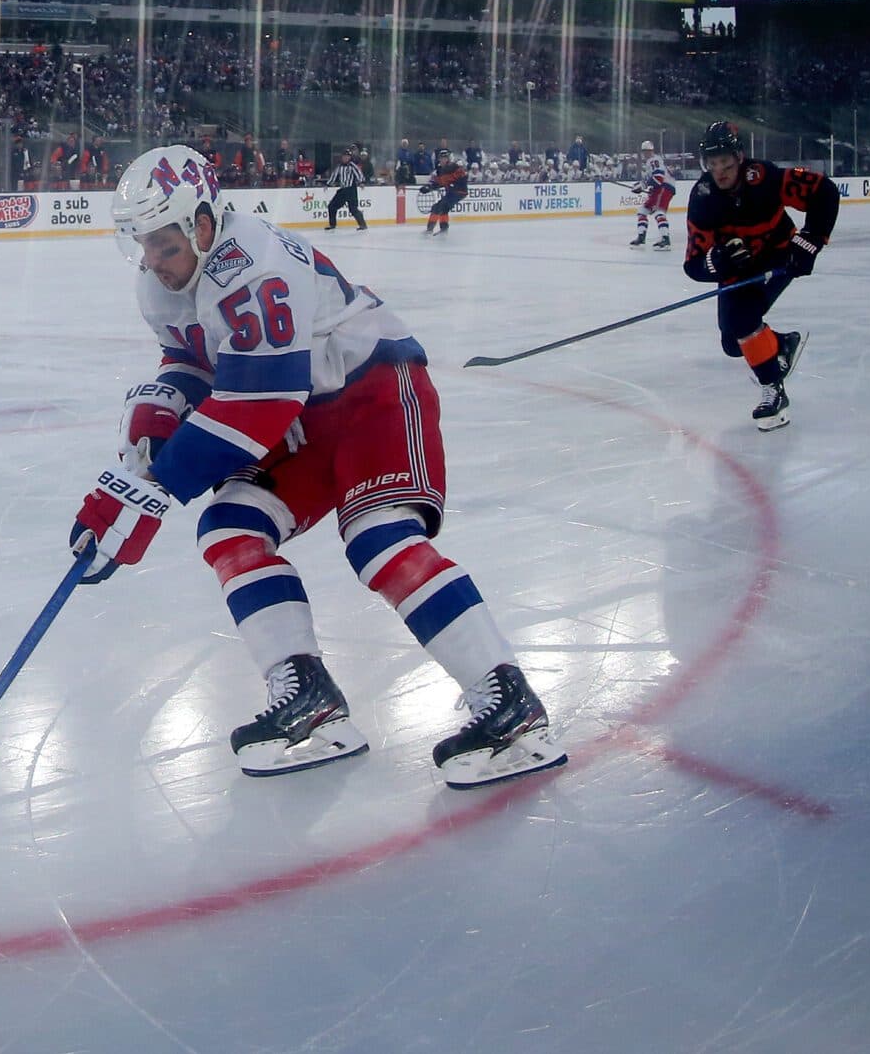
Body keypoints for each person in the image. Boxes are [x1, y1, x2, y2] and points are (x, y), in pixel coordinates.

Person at [69, 145, 564, 788]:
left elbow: (258, 402)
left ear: (200, 221)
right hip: (302, 411)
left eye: (164, 245)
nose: (154, 264)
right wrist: (156, 422)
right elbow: (196, 364)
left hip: (373, 392)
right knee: (230, 529)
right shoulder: (158, 284)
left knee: (379, 542)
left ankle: (510, 706)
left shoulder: (255, 264)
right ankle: (310, 701)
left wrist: (150, 490)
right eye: (143, 247)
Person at [682, 121, 838, 430]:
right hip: (738, 269)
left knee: (742, 321)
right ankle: (780, 345)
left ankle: (773, 391)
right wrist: (718, 262)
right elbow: (694, 263)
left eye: (725, 162)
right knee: (732, 342)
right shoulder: (703, 197)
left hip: (779, 256)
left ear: (739, 158)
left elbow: (824, 192)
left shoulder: (765, 178)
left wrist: (809, 241)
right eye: (712, 164)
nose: (720, 171)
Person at [628, 140, 675, 250]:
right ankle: (641, 237)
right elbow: (652, 180)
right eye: (644, 151)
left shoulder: (653, 160)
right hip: (661, 188)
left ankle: (665, 240)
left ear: (650, 151)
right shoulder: (652, 161)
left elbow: (658, 179)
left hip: (664, 187)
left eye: (647, 151)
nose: (645, 153)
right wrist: (641, 186)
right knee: (642, 211)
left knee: (659, 211)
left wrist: (642, 186)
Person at [420, 154, 469, 236]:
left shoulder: (453, 167)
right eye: (441, 159)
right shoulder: (442, 170)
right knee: (439, 207)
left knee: (441, 207)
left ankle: (435, 229)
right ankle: (438, 228)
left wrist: (454, 184)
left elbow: (463, 176)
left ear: (447, 159)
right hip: (451, 193)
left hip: (458, 192)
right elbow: (439, 183)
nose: (442, 160)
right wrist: (427, 188)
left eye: (444, 158)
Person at [325, 147, 367, 231]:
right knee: (332, 206)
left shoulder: (352, 166)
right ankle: (332, 224)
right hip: (343, 190)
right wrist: (328, 184)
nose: (345, 158)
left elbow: (359, 174)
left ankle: (363, 225)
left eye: (347, 156)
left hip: (351, 190)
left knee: (353, 209)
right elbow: (334, 175)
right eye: (344, 156)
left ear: (350, 157)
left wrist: (361, 182)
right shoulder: (339, 166)